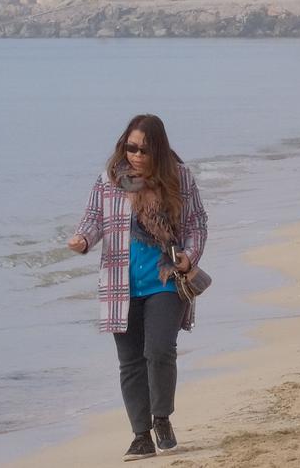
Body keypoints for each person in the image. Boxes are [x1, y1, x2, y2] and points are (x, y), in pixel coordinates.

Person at [67, 114, 209, 461]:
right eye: (131, 148)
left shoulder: (179, 178)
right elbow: (93, 219)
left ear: (158, 150)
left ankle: (161, 417)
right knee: (130, 362)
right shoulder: (110, 181)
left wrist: (189, 257)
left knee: (159, 351)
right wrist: (83, 240)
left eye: (144, 150)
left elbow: (197, 224)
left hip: (165, 280)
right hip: (120, 284)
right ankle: (141, 436)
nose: (136, 155)